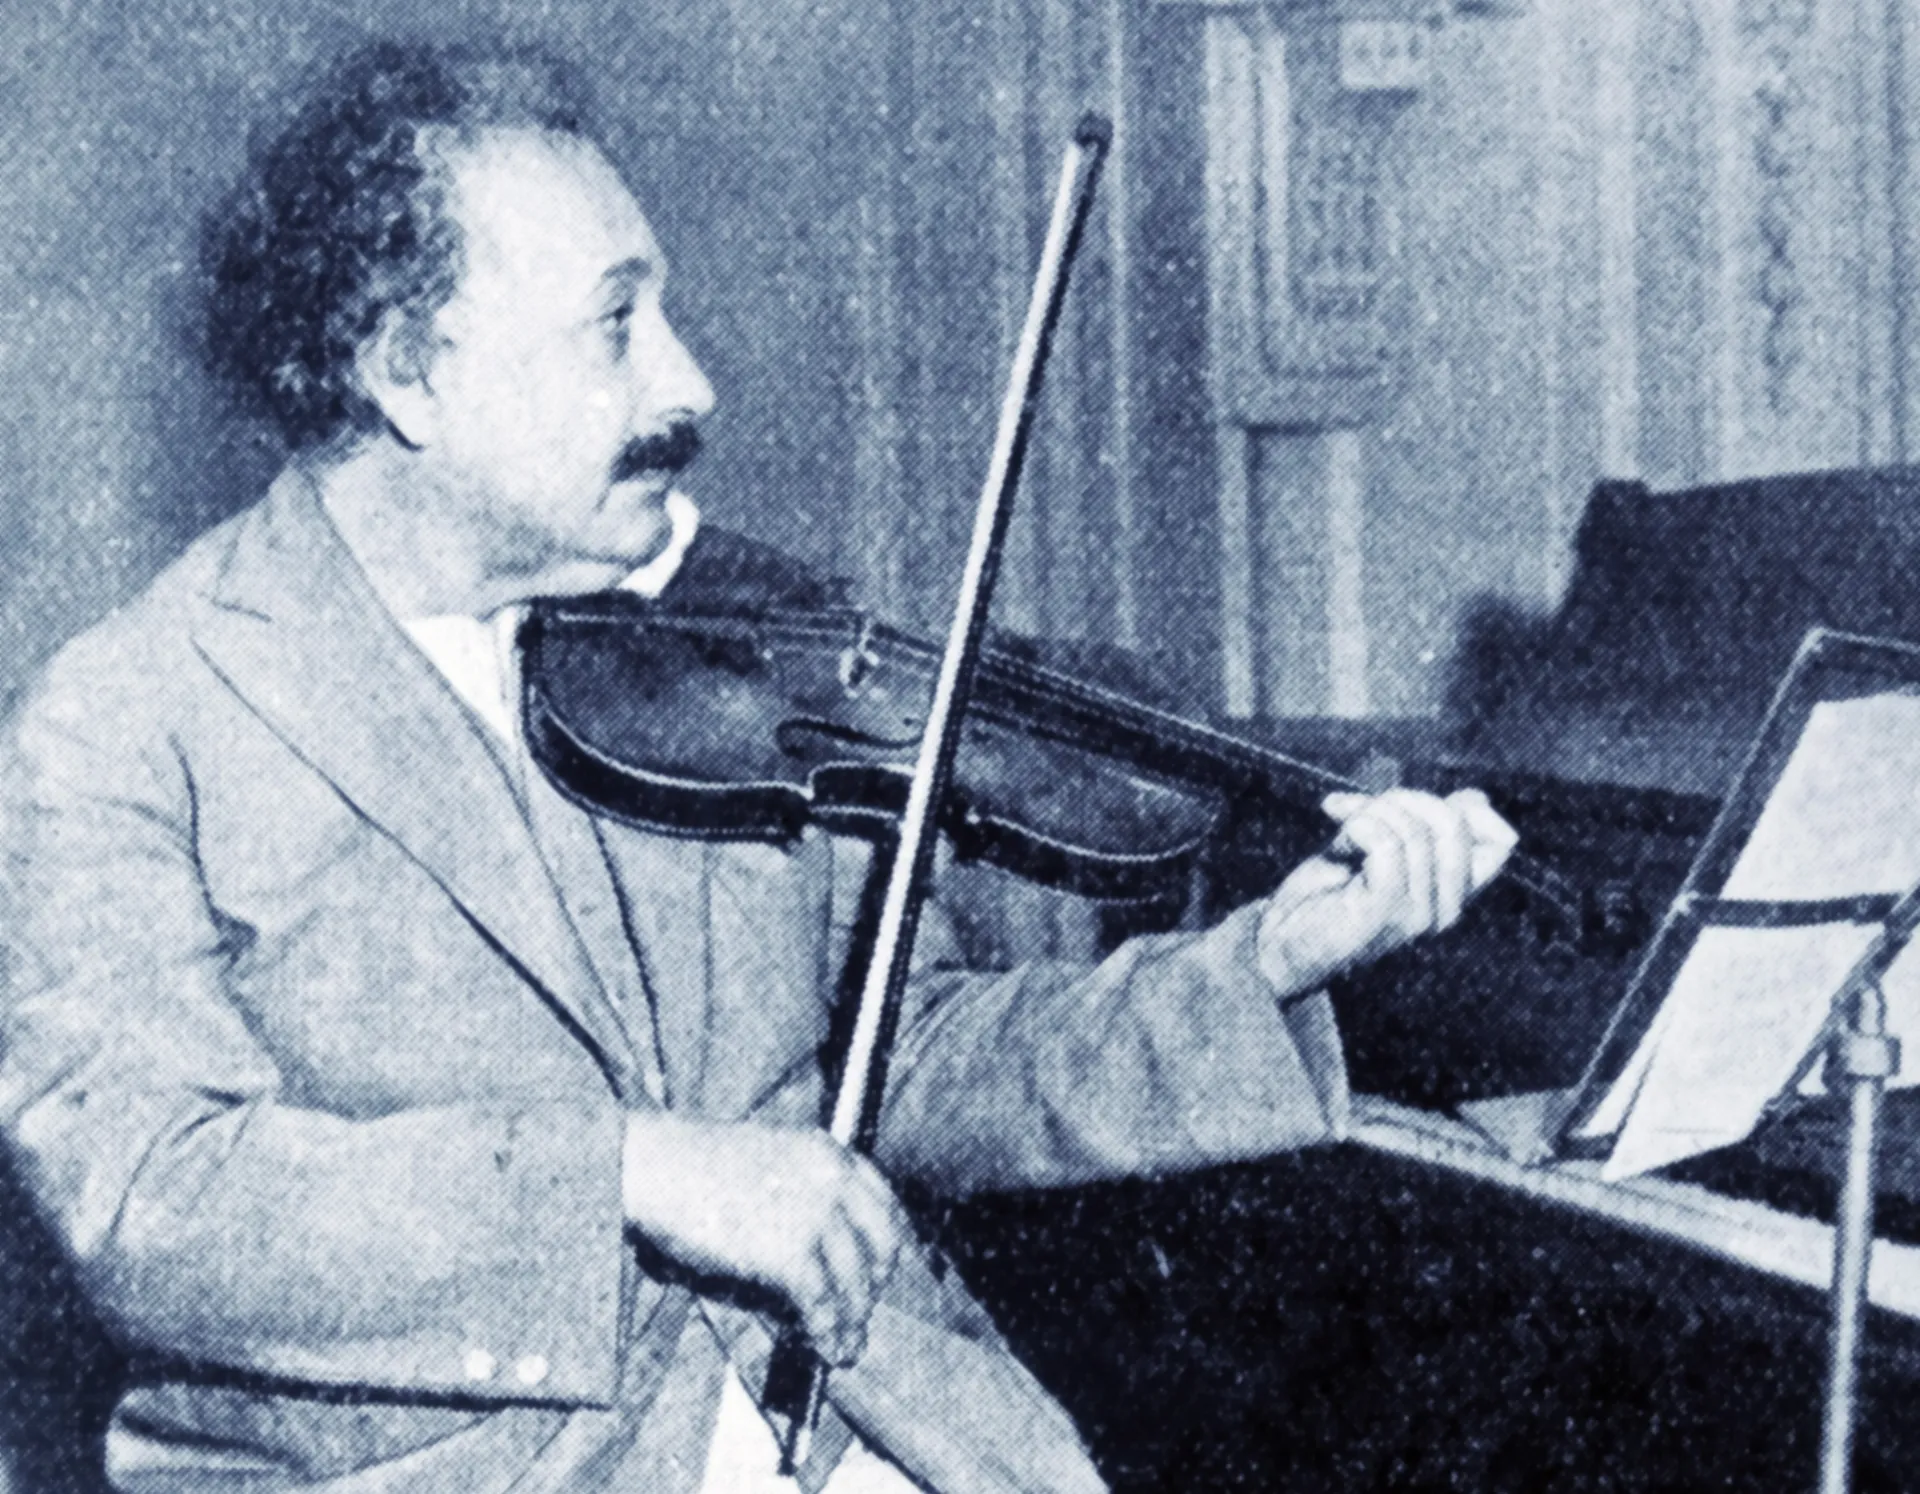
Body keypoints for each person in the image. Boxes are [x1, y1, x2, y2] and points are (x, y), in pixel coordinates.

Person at [0, 41, 1515, 1494]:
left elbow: (900, 1058)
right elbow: (152, 1196)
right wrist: (631, 1174)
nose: (691, 381)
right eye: (617, 323)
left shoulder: (711, 648)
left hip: (869, 1419)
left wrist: (1264, 963)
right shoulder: (124, 723)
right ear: (409, 375)